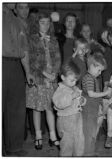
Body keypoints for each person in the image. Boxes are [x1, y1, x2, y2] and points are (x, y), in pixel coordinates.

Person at [3, 3, 34, 156]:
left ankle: (14, 147)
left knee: (16, 108)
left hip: (16, 67)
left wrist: (27, 72)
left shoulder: (18, 22)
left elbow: (25, 49)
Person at [26, 12, 61, 150]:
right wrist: (45, 73)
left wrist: (54, 74)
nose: (45, 25)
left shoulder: (53, 40)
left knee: (50, 108)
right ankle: (38, 136)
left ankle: (53, 136)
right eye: (42, 22)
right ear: (37, 24)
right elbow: (31, 60)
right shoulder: (32, 39)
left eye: (47, 22)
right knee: (37, 107)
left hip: (51, 78)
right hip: (38, 77)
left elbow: (58, 58)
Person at [53, 60, 86, 156]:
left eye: (76, 80)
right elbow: (59, 104)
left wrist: (82, 101)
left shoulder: (74, 88)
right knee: (67, 144)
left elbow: (80, 99)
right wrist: (71, 96)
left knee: (79, 141)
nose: (74, 82)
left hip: (77, 118)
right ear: (63, 77)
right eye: (72, 80)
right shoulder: (60, 90)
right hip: (66, 121)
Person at [81, 52, 112, 156]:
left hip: (93, 109)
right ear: (91, 66)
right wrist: (105, 93)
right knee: (89, 133)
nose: (100, 73)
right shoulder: (88, 78)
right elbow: (91, 94)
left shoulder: (94, 78)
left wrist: (100, 106)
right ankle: (87, 154)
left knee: (93, 132)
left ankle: (90, 151)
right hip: (88, 110)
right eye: (99, 70)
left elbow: (96, 95)